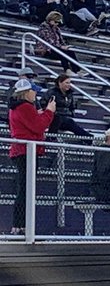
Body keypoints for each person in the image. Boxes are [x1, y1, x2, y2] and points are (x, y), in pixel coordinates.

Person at [8, 78, 55, 235]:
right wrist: (49, 112)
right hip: (26, 151)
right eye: (33, 91)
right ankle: (20, 225)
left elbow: (31, 123)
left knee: (24, 188)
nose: (36, 94)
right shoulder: (25, 107)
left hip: (21, 151)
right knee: (25, 189)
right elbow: (38, 126)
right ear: (26, 92)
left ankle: (20, 225)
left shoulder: (17, 108)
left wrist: (39, 114)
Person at [42, 72, 90, 138]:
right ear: (60, 83)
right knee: (57, 119)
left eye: (69, 83)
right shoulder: (51, 92)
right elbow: (43, 103)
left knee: (71, 123)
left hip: (66, 118)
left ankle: (88, 138)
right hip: (54, 117)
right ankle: (51, 139)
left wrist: (70, 113)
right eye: (66, 83)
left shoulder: (70, 94)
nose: (69, 85)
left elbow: (72, 106)